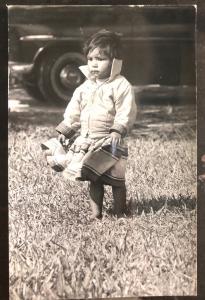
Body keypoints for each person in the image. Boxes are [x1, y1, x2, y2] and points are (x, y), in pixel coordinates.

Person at [42, 29, 137, 219]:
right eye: (91, 58)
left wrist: (118, 130)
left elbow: (126, 110)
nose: (94, 63)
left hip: (110, 142)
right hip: (89, 141)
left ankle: (119, 212)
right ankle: (96, 214)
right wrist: (67, 129)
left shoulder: (121, 85)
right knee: (94, 179)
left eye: (100, 59)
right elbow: (74, 111)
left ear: (115, 61)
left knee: (117, 180)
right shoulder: (84, 87)